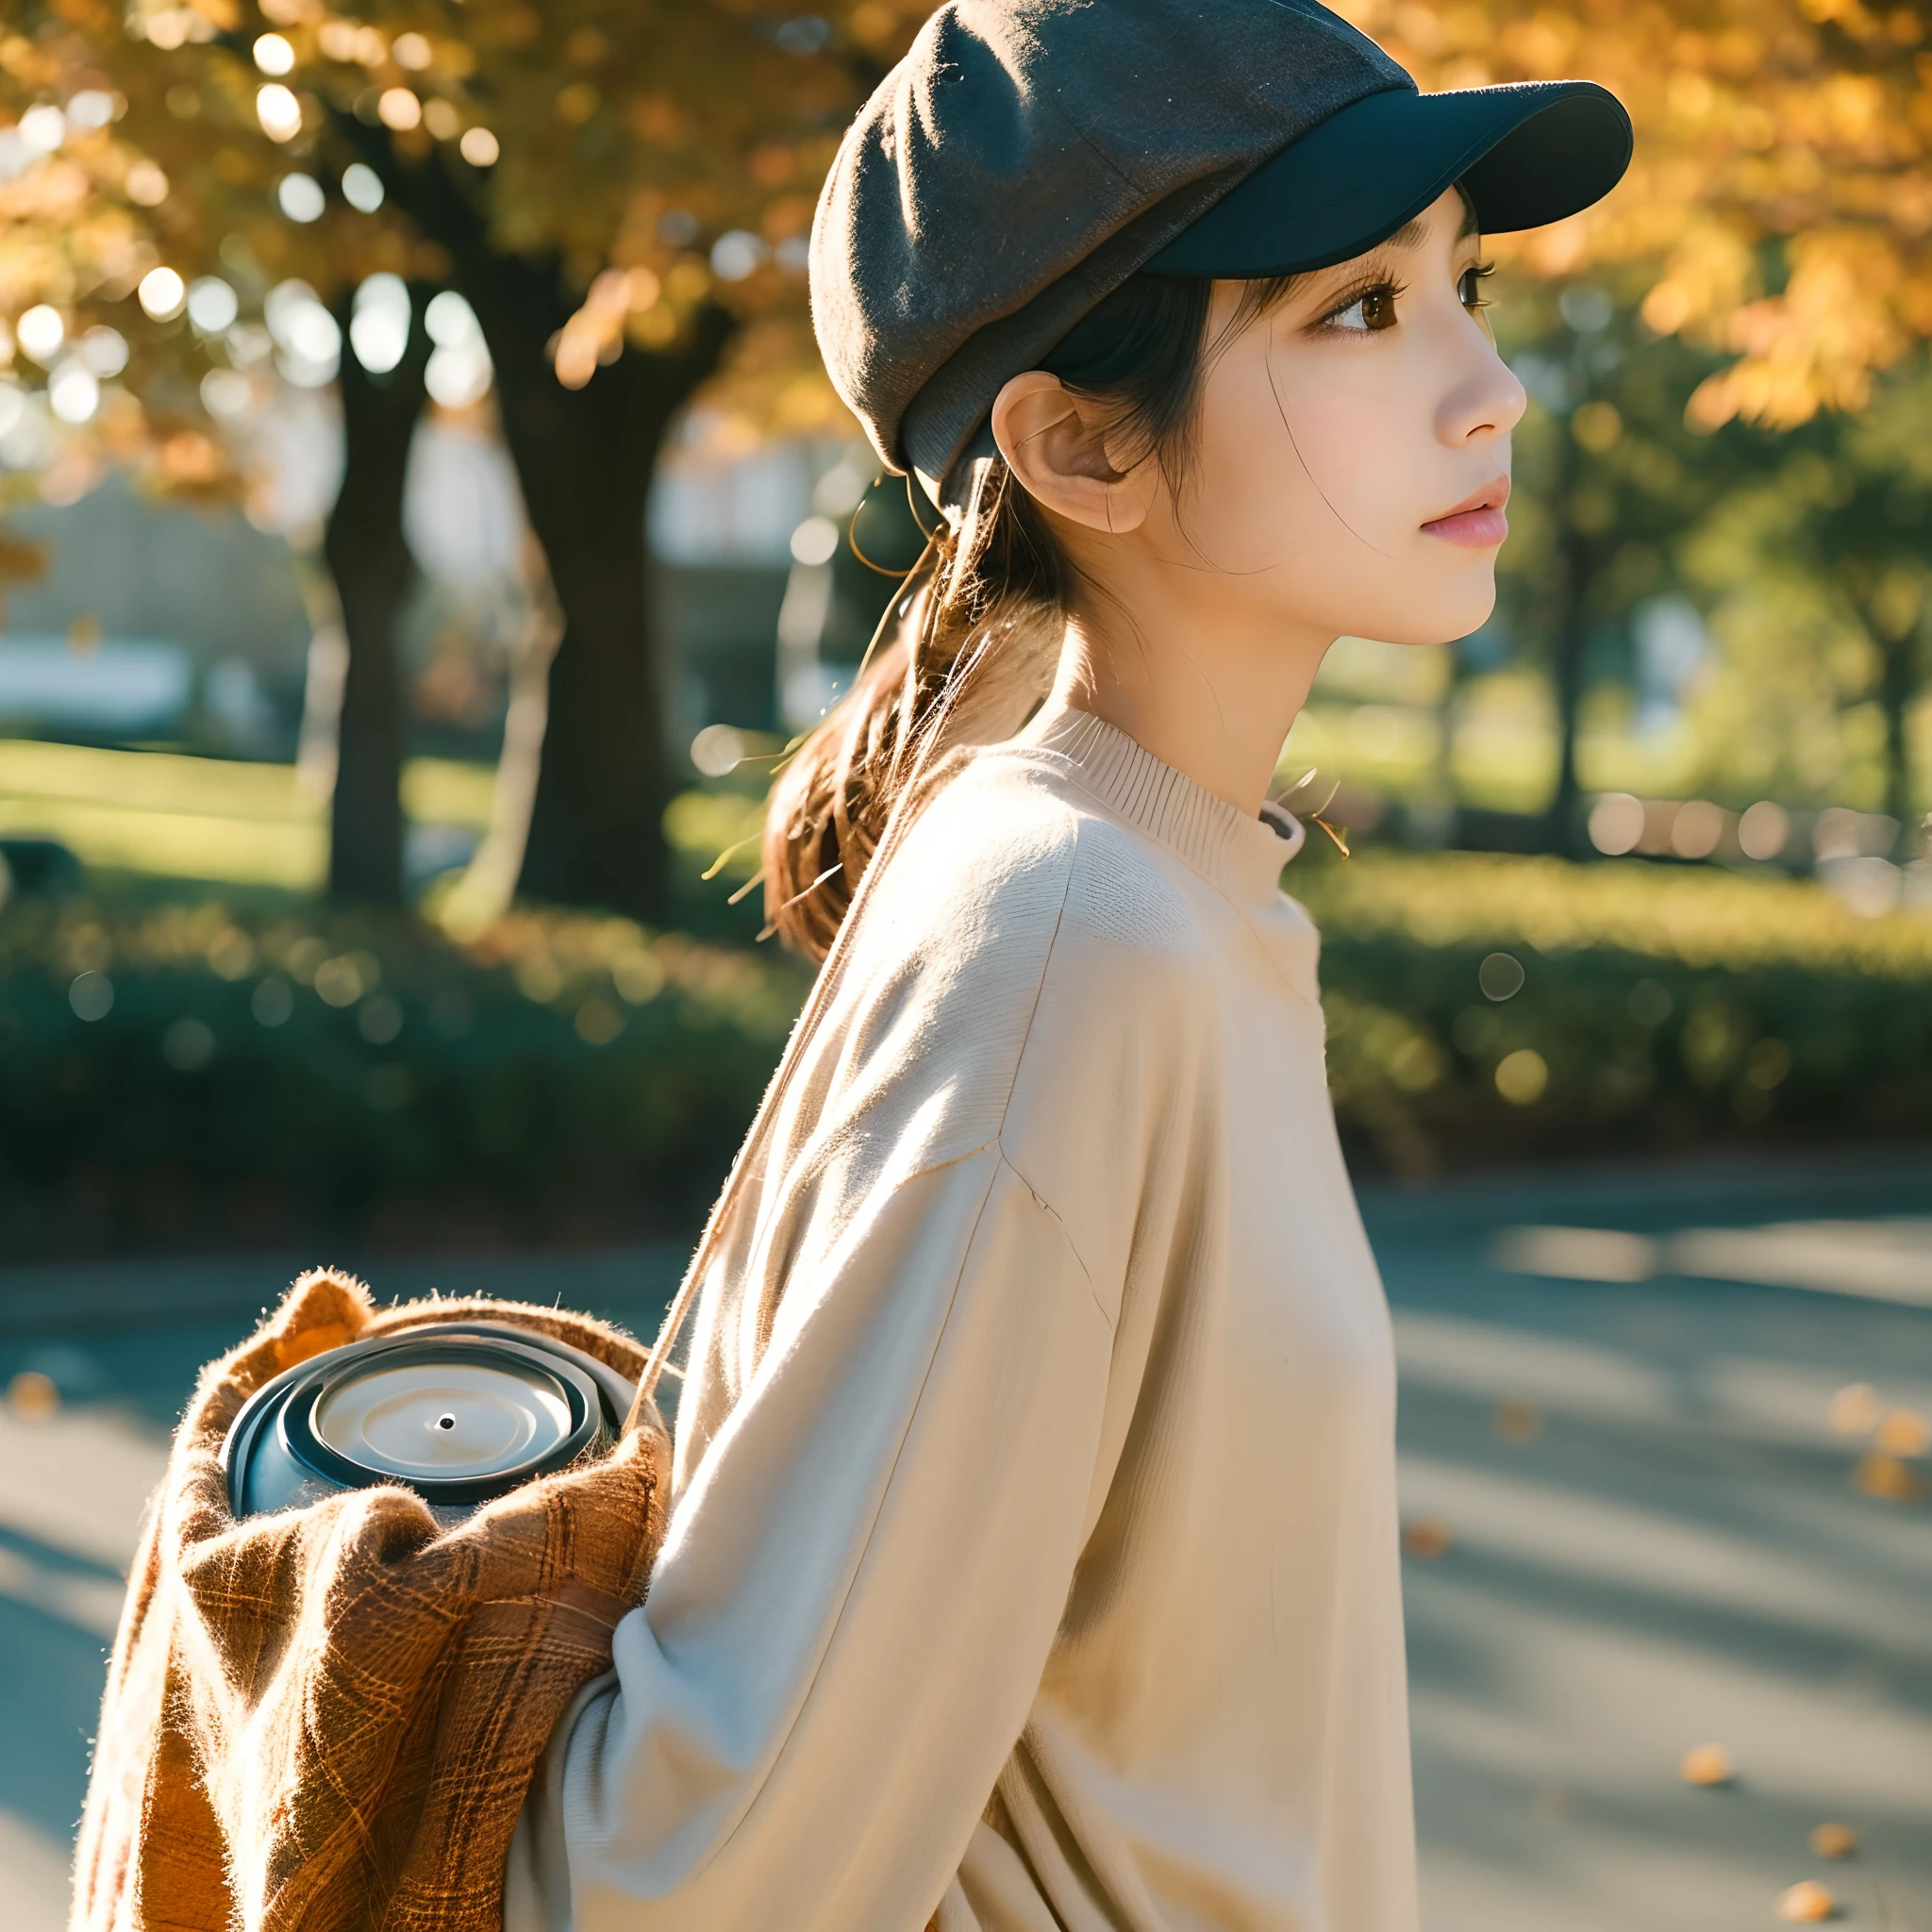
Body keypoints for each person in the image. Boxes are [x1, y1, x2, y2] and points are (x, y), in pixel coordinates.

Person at [504, 3, 1630, 1926]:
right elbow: (701, 1878)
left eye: (1468, 284)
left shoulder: (1166, 896)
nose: (1488, 387)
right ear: (1078, 443)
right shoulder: (1069, 940)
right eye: (1356, 310)